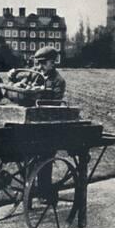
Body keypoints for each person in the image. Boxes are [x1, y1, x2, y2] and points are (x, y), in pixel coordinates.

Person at [32, 46, 66, 201]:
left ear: (51, 63)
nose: (39, 67)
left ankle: (44, 193)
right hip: (35, 124)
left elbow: (55, 105)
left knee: (45, 160)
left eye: (42, 63)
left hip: (49, 126)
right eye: (38, 63)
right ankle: (31, 190)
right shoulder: (36, 76)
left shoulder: (58, 81)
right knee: (31, 159)